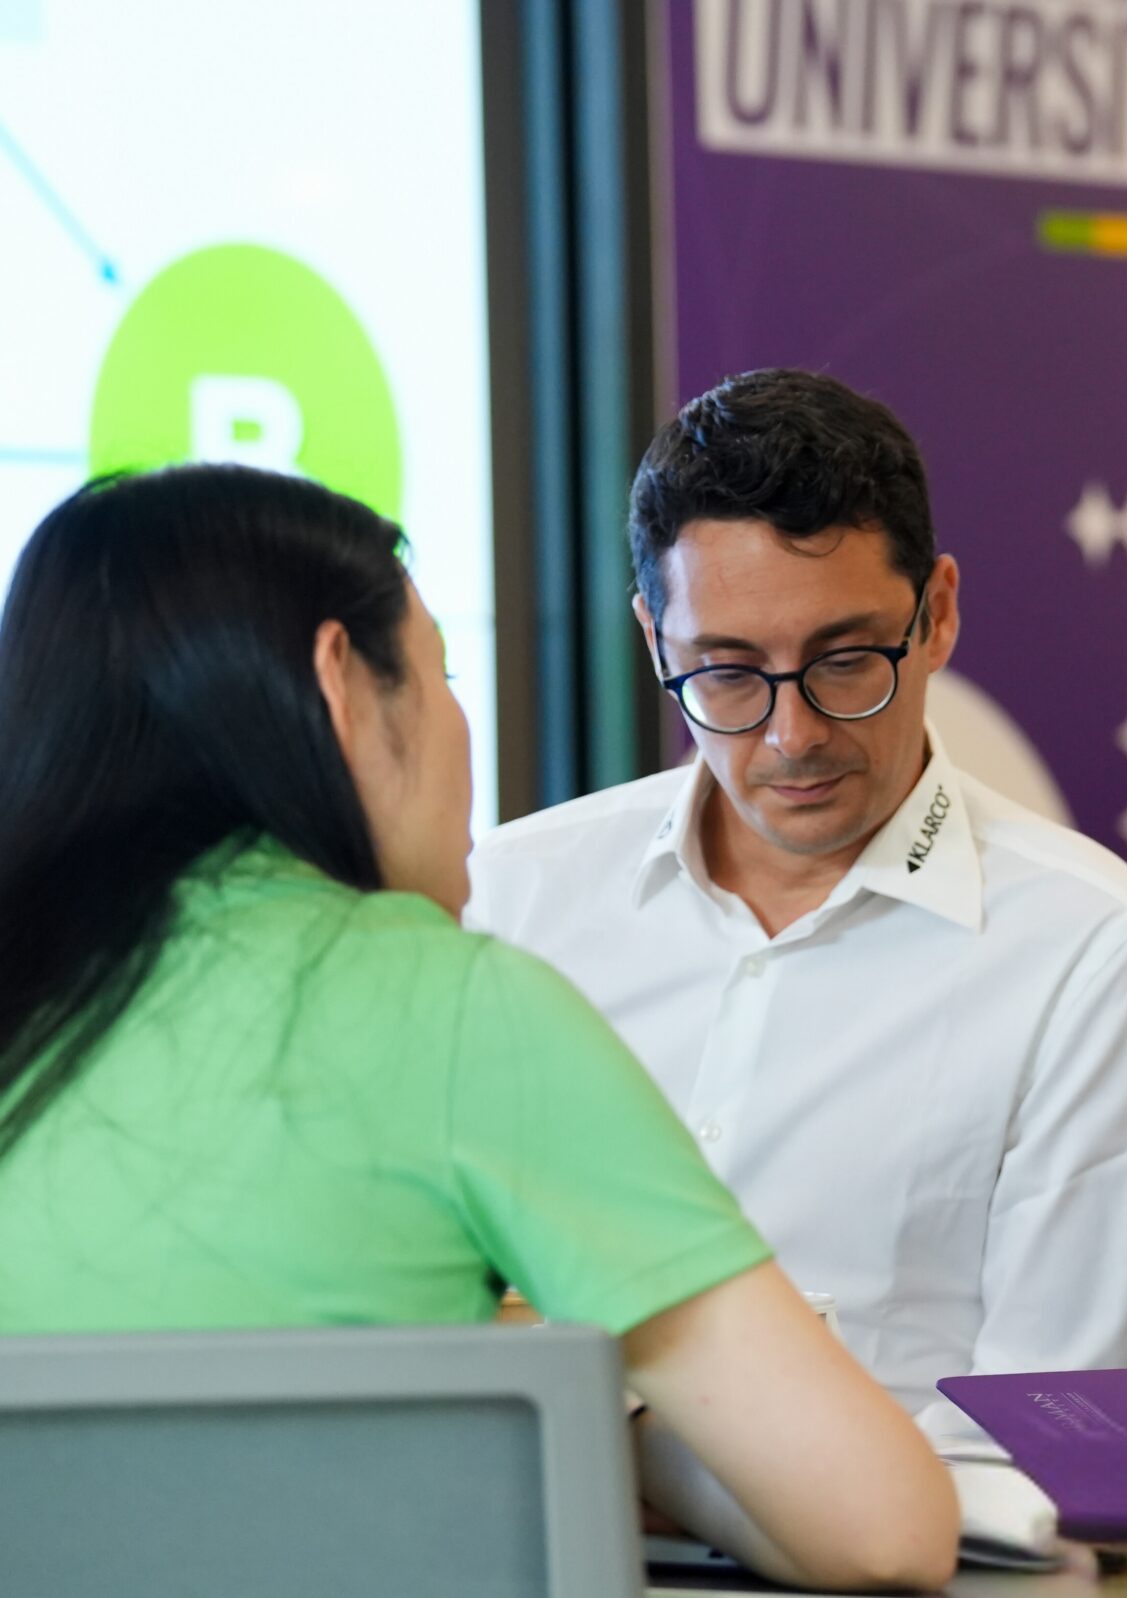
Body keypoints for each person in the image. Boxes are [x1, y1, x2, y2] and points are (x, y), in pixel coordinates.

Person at [0, 466, 957, 1592]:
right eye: (443, 670)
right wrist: (583, 1386)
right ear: (343, 685)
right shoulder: (456, 1005)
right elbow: (887, 1528)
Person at [466, 369, 1127, 1436]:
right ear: (652, 643)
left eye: (845, 659)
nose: (792, 735)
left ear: (938, 614)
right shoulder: (517, 894)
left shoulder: (1096, 950)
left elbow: (1052, 1423)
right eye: (725, 673)